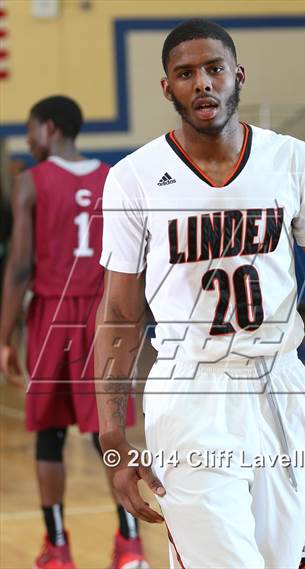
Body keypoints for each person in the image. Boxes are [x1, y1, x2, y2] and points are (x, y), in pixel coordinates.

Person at [95, 20, 305, 569]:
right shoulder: (133, 178)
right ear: (167, 88)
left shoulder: (291, 159)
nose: (202, 83)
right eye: (186, 73)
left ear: (237, 77)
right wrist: (113, 444)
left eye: (214, 69)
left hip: (281, 381)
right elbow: (118, 314)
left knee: (287, 559)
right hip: (189, 391)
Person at [0, 96, 148, 569]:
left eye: (29, 129)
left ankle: (57, 548)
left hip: (50, 318)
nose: (27, 139)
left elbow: (20, 267)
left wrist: (4, 336)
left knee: (49, 435)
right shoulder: (115, 176)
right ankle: (130, 547)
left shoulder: (29, 182)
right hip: (104, 315)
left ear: (48, 128)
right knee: (109, 432)